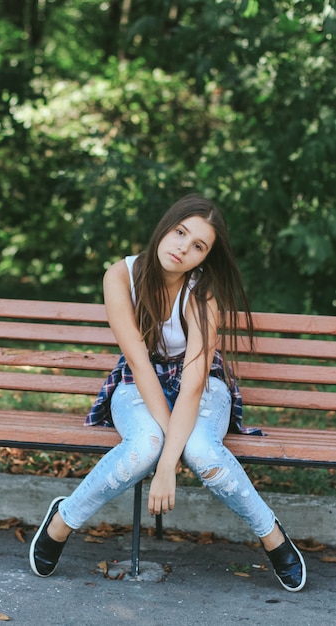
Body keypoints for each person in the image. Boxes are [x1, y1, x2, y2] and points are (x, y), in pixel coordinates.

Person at [29, 193, 306, 592]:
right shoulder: (120, 276)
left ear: (205, 257)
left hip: (202, 384)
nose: (183, 248)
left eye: (198, 246)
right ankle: (62, 520)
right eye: (180, 232)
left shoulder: (201, 292)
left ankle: (272, 535)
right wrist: (162, 457)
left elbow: (193, 384)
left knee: (202, 450)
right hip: (139, 380)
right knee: (146, 445)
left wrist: (168, 465)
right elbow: (140, 364)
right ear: (165, 226)